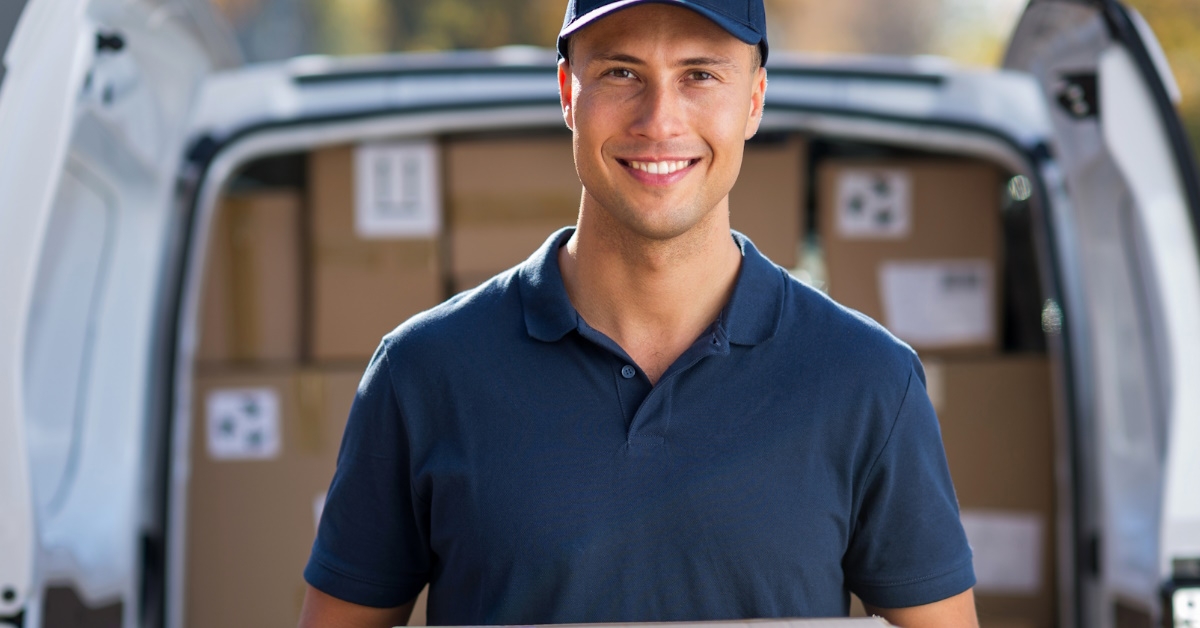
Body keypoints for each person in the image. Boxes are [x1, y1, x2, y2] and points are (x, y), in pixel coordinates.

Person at [299, 0, 979, 626]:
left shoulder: (869, 382)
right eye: (622, 72)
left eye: (700, 75)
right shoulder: (423, 373)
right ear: (569, 93)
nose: (660, 120)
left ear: (753, 101)